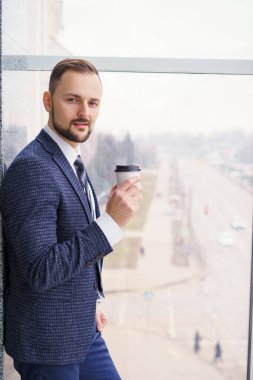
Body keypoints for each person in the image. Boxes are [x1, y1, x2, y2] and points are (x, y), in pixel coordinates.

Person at [0, 58, 142, 380]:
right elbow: (40, 268)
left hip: (82, 331)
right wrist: (110, 223)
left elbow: (70, 242)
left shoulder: (70, 160)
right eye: (72, 99)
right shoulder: (34, 168)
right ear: (48, 102)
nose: (84, 112)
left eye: (93, 102)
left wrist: (90, 299)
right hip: (48, 344)